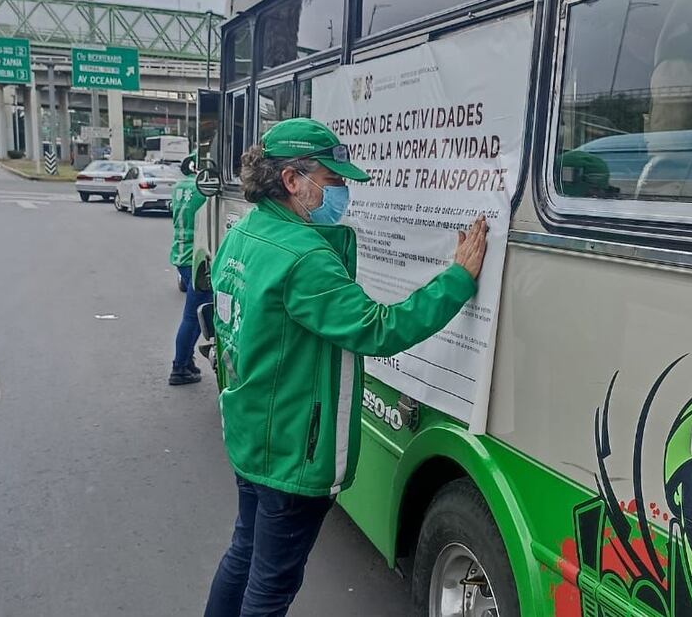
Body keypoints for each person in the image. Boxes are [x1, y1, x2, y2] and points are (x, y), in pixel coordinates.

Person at [204, 118, 488, 617]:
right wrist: (458, 280)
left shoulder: (243, 233)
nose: (340, 192)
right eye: (332, 180)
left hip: (252, 436)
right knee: (269, 589)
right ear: (292, 180)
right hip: (291, 452)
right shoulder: (304, 256)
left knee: (243, 555)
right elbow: (378, 329)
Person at [168, 152, 212, 385]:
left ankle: (187, 360)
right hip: (198, 258)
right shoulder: (202, 188)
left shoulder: (178, 187)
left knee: (195, 313)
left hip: (181, 253)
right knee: (194, 317)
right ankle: (179, 367)